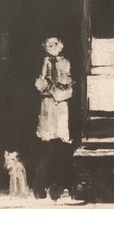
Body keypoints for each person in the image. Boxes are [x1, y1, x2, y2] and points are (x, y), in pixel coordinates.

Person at [32, 36, 74, 201]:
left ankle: (59, 185)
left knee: (61, 144)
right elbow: (40, 86)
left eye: (55, 44)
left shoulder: (65, 63)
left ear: (61, 45)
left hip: (61, 107)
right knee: (48, 145)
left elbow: (68, 87)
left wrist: (54, 90)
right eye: (49, 44)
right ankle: (40, 185)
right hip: (48, 107)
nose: (52, 46)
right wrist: (48, 88)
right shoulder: (45, 63)